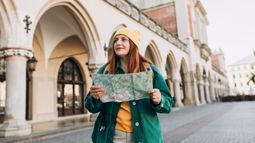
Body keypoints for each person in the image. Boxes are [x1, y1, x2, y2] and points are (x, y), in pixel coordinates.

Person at [85, 27, 173, 143]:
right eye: (115, 40)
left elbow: (168, 103)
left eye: (123, 39)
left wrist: (159, 100)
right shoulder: (105, 71)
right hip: (113, 136)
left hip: (144, 136)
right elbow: (90, 105)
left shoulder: (149, 69)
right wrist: (95, 98)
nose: (118, 43)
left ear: (133, 44)